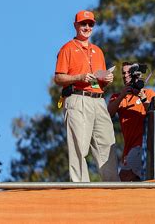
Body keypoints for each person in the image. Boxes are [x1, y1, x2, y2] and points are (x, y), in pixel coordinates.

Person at [55, 10, 119, 182]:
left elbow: (98, 82)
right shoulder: (67, 48)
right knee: (79, 147)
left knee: (107, 144)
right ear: (76, 25)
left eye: (90, 24)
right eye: (83, 24)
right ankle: (80, 187)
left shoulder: (97, 51)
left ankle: (114, 186)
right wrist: (79, 77)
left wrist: (106, 79)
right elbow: (59, 77)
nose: (87, 27)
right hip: (78, 98)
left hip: (98, 100)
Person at [107, 62, 155, 181]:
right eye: (123, 73)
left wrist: (142, 97)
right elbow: (108, 114)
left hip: (142, 146)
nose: (125, 75)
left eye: (129, 72)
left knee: (123, 180)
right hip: (128, 150)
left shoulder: (148, 93)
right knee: (138, 183)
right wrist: (122, 95)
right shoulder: (117, 97)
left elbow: (154, 114)